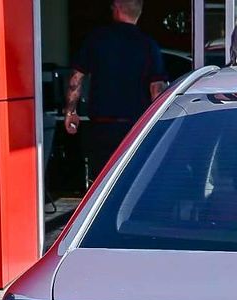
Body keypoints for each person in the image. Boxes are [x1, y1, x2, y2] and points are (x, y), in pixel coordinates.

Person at [64, 0, 168, 181]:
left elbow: (76, 78)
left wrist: (71, 111)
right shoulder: (148, 45)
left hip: (102, 128)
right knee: (132, 181)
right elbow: (156, 90)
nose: (110, 8)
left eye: (112, 6)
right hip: (135, 128)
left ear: (119, 8)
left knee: (101, 184)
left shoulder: (97, 39)